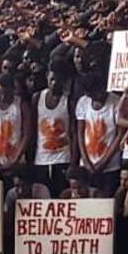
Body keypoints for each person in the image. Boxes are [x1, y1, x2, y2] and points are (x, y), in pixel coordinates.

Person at [74, 71, 122, 197]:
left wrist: (104, 162)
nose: (98, 95)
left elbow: (119, 134)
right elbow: (80, 133)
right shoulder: (83, 103)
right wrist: (85, 160)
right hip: (87, 165)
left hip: (110, 166)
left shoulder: (116, 102)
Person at [0, 72, 32, 178]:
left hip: (16, 164)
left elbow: (27, 134)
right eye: (0, 93)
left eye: (6, 93)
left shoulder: (22, 104)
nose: (3, 97)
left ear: (13, 90)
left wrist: (15, 160)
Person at [33, 61, 73, 196]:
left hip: (63, 158)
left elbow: (73, 132)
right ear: (46, 76)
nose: (55, 83)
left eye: (59, 80)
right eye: (52, 79)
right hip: (41, 159)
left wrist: (73, 161)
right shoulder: (37, 97)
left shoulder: (69, 101)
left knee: (60, 196)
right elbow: (33, 130)